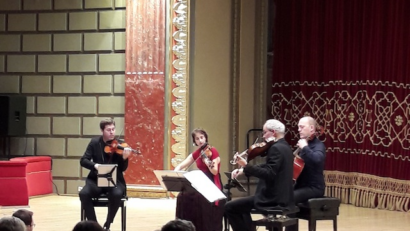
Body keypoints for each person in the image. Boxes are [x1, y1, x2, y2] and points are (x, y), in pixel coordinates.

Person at [225, 119, 295, 231]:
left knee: (230, 207)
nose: (263, 136)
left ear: (273, 132)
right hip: (283, 196)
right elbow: (269, 166)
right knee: (240, 207)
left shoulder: (276, 148)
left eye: (265, 132)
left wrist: (246, 165)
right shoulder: (285, 146)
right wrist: (244, 170)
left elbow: (269, 173)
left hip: (273, 198)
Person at [79, 118, 131, 231]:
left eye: (113, 129)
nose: (112, 132)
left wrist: (124, 158)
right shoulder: (94, 143)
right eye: (108, 130)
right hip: (96, 180)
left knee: (117, 194)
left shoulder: (120, 145)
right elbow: (83, 160)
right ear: (102, 131)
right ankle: (94, 226)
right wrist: (95, 166)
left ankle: (107, 224)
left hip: (115, 181)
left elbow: (122, 169)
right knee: (84, 193)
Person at [174, 128, 225, 231]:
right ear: (195, 141)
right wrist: (176, 170)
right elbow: (183, 164)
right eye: (197, 139)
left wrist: (206, 161)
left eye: (202, 137)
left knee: (199, 198)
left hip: (212, 182)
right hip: (201, 182)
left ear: (205, 138)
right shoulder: (198, 153)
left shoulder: (212, 151)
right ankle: (186, 226)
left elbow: (214, 171)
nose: (200, 140)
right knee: (182, 196)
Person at [293, 116, 326, 203]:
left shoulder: (318, 145)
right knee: (280, 194)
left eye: (302, 127)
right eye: (298, 127)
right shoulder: (304, 145)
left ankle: (290, 217)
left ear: (311, 128)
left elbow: (317, 159)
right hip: (300, 185)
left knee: (289, 197)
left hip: (314, 188)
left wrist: (304, 147)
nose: (299, 130)